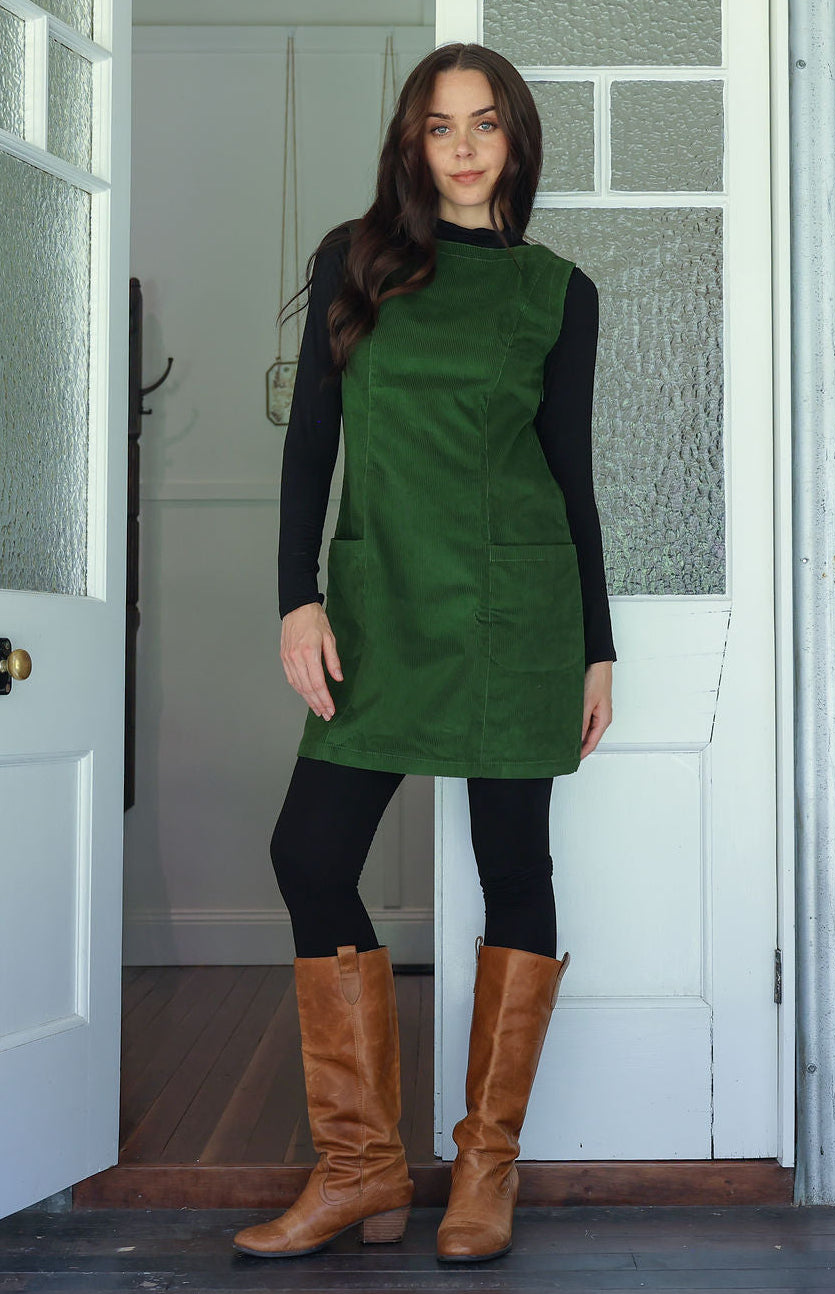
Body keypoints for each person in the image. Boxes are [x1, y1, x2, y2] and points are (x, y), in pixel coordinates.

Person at [232, 41, 615, 1265]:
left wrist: (596, 648)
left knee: (516, 860)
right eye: (439, 125)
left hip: (518, 612)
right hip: (383, 604)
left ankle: (484, 1169)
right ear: (411, 143)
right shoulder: (356, 263)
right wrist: (298, 596)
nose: (461, 145)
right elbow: (311, 449)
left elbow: (571, 475)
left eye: (485, 123)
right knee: (309, 851)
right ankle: (360, 1169)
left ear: (516, 142)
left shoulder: (559, 293)